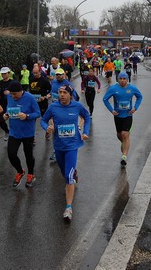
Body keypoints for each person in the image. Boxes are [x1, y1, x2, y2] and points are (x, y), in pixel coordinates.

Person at [41, 84, 90, 222]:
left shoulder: (77, 106)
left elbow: (87, 117)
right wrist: (47, 127)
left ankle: (68, 208)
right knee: (65, 173)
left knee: (68, 178)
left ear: (70, 94)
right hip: (58, 146)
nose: (61, 95)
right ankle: (72, 173)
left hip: (72, 145)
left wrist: (85, 132)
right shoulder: (53, 107)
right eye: (60, 92)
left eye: (64, 92)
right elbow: (43, 120)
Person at [3, 81, 40, 189]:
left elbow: (37, 113)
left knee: (28, 155)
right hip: (14, 131)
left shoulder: (30, 98)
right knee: (11, 154)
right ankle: (20, 171)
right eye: (11, 94)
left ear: (21, 91)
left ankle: (31, 174)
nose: (12, 96)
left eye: (15, 94)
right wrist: (6, 115)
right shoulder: (10, 97)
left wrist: (27, 115)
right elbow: (9, 109)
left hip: (27, 132)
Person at [103, 72, 143, 167]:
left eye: (124, 79)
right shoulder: (113, 88)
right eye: (120, 79)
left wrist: (135, 107)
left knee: (125, 134)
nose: (122, 80)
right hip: (117, 116)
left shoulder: (132, 88)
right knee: (120, 135)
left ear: (127, 79)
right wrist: (111, 110)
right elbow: (105, 99)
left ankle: (124, 156)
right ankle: (124, 143)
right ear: (118, 79)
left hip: (128, 115)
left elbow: (140, 96)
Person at [0, 67, 13, 141]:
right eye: (2, 74)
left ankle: (14, 135)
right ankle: (7, 131)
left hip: (11, 104)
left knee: (13, 120)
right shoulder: (0, 82)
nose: (3, 75)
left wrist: (10, 93)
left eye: (5, 73)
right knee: (0, 120)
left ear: (8, 73)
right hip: (2, 104)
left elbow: (18, 93)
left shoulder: (12, 82)